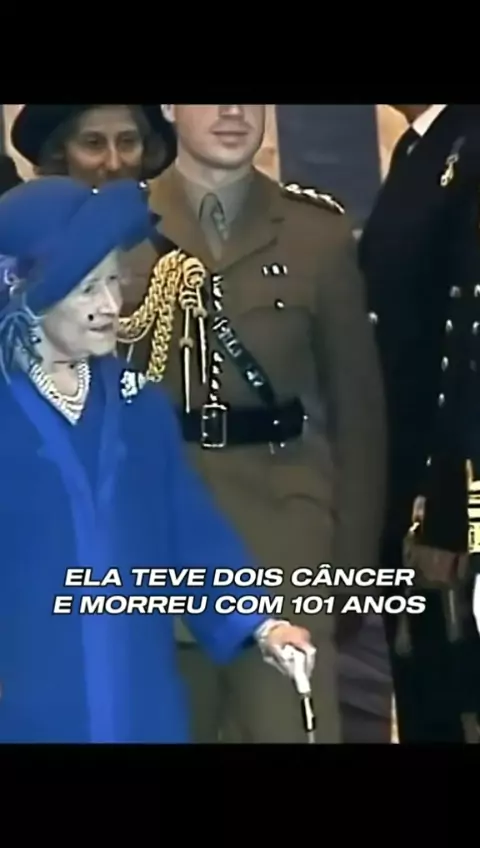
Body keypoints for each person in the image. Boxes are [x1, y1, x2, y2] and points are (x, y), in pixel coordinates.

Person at [0, 174, 315, 743]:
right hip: (30, 704)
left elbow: (188, 529)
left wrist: (259, 622)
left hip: (141, 701)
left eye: (114, 280)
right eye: (86, 289)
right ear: (25, 298)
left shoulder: (138, 405)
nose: (111, 305)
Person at [119, 104, 386, 743]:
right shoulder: (117, 227)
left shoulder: (316, 234)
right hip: (152, 542)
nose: (233, 111)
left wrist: (351, 565)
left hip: (285, 541)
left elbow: (358, 416)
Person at [359, 104, 480, 743]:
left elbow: (470, 339)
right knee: (425, 689)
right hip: (406, 476)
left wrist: (450, 508)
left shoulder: (471, 141)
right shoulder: (423, 146)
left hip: (451, 493)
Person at [10, 103, 176, 186]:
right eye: (94, 144)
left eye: (127, 142)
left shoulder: (172, 226)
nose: (114, 164)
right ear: (60, 150)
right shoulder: (34, 234)